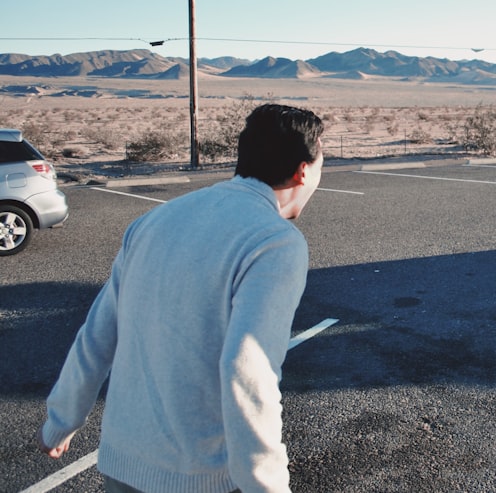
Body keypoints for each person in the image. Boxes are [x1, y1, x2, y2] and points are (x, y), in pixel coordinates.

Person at [37, 103, 325, 493]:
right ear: (303, 170)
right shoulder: (274, 242)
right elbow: (248, 371)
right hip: (203, 478)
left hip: (122, 466)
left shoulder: (155, 220)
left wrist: (61, 420)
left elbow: (98, 333)